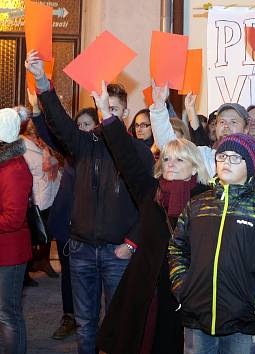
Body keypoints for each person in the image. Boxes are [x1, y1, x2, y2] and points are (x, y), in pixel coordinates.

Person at [26, 50, 154, 354]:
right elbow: (57, 121)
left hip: (117, 252)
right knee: (85, 324)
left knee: (118, 323)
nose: (106, 111)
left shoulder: (138, 152)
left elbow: (150, 202)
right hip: (81, 250)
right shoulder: (84, 144)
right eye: (102, 105)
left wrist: (132, 244)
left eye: (114, 107)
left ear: (124, 113)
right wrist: (43, 80)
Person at [95, 84, 211, 354]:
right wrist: (107, 116)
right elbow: (125, 157)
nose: (170, 162)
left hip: (186, 292)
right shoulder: (151, 192)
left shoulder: (208, 198)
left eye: (179, 159)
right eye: (167, 158)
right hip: (146, 288)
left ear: (194, 165)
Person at [167, 133, 255, 354]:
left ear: (251, 165)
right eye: (222, 156)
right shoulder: (197, 205)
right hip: (197, 313)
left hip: (243, 318)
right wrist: (182, 287)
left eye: (236, 157)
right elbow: (177, 248)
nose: (226, 162)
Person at [28, 94, 98, 339]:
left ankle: (93, 320)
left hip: (92, 226)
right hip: (67, 224)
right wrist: (37, 111)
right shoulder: (69, 150)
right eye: (79, 125)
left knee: (92, 277)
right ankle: (69, 317)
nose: (82, 129)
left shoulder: (102, 154)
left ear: (97, 127)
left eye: (87, 124)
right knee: (69, 273)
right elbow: (49, 135)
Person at [150, 82, 255, 209]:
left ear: (246, 128)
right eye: (222, 122)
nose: (226, 126)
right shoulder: (203, 155)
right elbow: (169, 147)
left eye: (233, 122)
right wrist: (159, 106)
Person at [0, 108, 32, 354]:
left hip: (9, 254)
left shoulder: (14, 169)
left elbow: (13, 218)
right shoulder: (5, 164)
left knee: (7, 314)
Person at [21, 119, 63, 278]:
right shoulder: (22, 146)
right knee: (34, 235)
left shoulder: (42, 143)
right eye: (31, 124)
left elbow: (54, 166)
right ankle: (25, 271)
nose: (34, 127)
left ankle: (43, 261)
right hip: (37, 197)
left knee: (49, 233)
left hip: (52, 193)